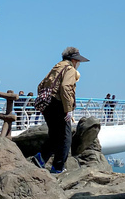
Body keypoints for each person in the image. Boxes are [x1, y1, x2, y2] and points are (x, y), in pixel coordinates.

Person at [36, 46, 89, 174]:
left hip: (48, 105)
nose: (79, 64)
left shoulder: (57, 67)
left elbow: (40, 85)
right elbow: (66, 87)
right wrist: (68, 109)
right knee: (66, 137)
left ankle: (40, 159)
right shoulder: (69, 69)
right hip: (59, 105)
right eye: (79, 61)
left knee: (54, 135)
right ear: (74, 60)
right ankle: (58, 167)